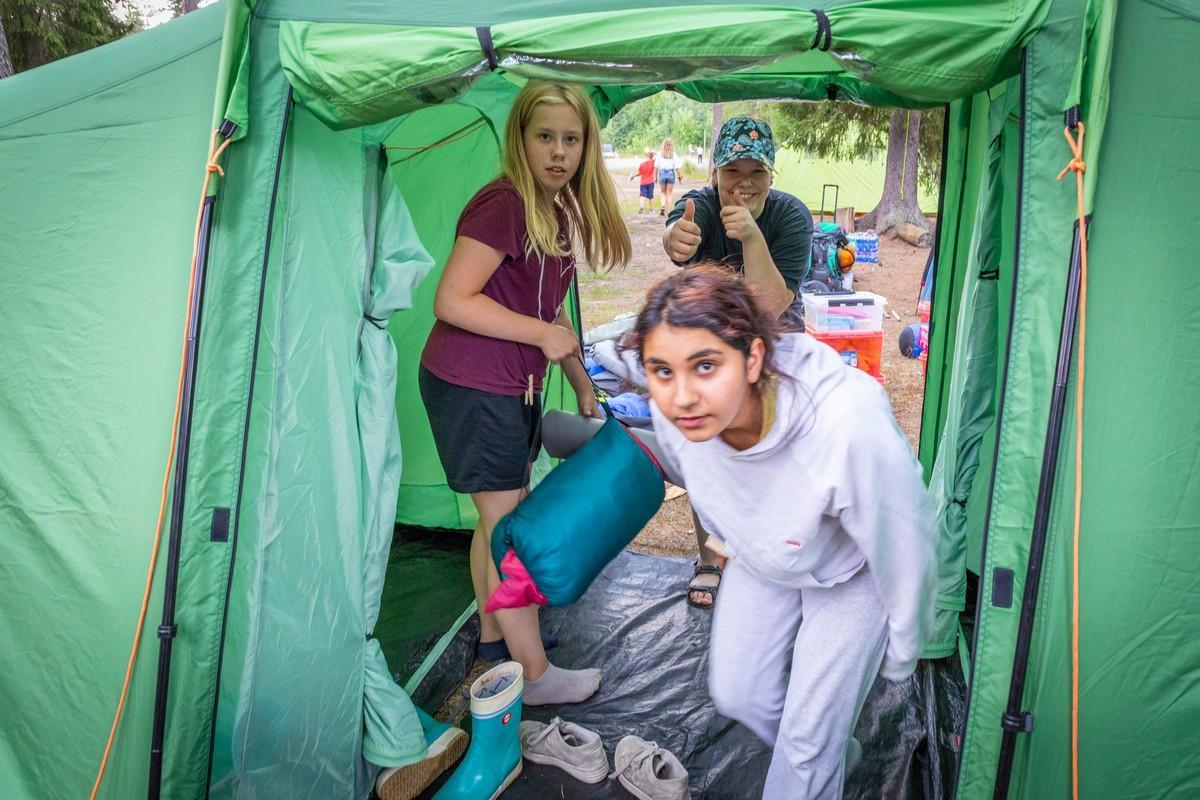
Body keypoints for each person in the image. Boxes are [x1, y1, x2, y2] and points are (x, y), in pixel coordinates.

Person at [631, 266, 936, 799]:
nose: (681, 397)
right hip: (767, 555)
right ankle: (831, 750)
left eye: (706, 366)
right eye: (661, 371)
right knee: (739, 692)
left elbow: (906, 541)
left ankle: (816, 754)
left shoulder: (845, 426)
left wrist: (903, 643)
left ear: (751, 358)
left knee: (805, 741)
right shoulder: (676, 412)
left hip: (850, 572)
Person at [419, 80, 631, 706]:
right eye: (545, 137)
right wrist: (543, 336)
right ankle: (534, 676)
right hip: (470, 383)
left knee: (497, 524)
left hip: (510, 386)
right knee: (510, 527)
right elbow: (452, 299)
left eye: (571, 139)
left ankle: (494, 643)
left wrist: (583, 388)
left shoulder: (555, 209)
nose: (558, 152)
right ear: (521, 139)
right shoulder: (504, 203)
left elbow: (552, 314)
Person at [661, 115, 814, 608]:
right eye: (733, 170)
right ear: (715, 172)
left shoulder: (790, 217)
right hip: (710, 350)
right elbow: (677, 234)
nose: (743, 183)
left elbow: (771, 304)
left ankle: (772, 555)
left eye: (756, 172)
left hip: (775, 342)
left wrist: (750, 235)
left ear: (772, 176)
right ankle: (710, 559)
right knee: (706, 450)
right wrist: (673, 241)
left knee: (775, 454)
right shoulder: (700, 205)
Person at [654, 137, 684, 216]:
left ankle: (663, 206)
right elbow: (677, 167)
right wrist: (680, 177)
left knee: (663, 192)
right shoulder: (673, 154)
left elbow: (656, 167)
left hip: (662, 173)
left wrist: (655, 177)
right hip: (670, 173)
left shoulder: (659, 154)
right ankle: (669, 210)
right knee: (669, 193)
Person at [627, 146, 658, 213]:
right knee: (650, 196)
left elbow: (640, 173)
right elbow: (658, 155)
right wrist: (652, 151)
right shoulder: (654, 162)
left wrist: (633, 176)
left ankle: (641, 206)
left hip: (643, 182)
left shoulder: (642, 164)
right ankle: (651, 210)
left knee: (642, 195)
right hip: (651, 182)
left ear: (646, 155)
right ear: (652, 156)